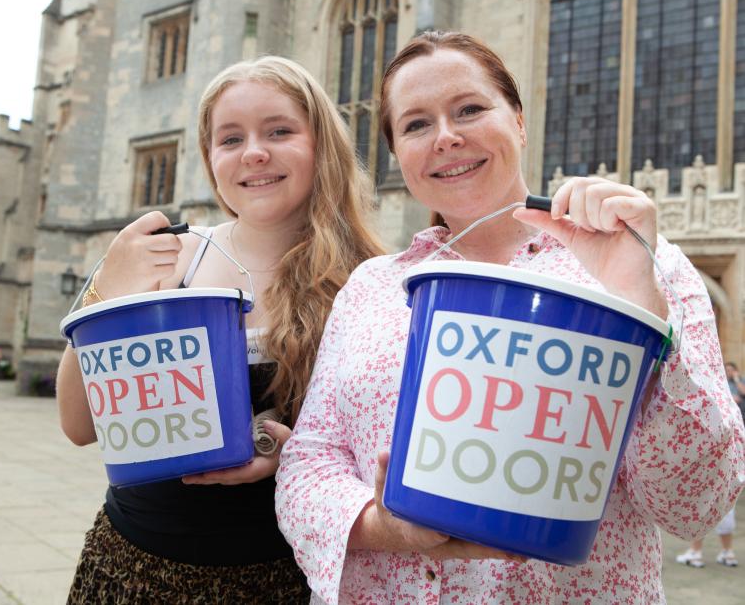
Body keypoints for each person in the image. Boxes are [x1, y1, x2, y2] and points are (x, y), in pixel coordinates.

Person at [276, 31, 745, 603]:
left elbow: (698, 501)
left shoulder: (649, 265)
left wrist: (642, 309)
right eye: (417, 124)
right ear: (398, 153)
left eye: (470, 109)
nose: (447, 137)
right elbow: (310, 459)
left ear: (519, 121)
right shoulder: (371, 287)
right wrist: (385, 527)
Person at [56, 55, 383, 603]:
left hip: (281, 579)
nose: (254, 152)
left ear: (321, 145)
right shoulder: (164, 257)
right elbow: (79, 424)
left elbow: (379, 451)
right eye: (230, 139)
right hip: (132, 569)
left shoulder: (369, 279)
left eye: (279, 131)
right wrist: (106, 290)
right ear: (210, 159)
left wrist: (290, 453)